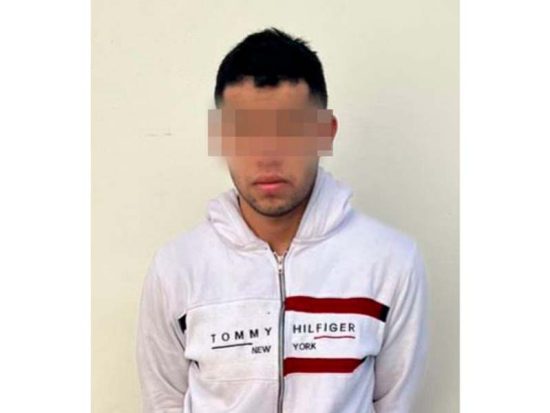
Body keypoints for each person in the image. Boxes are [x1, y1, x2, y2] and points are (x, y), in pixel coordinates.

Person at [136, 27, 428, 413]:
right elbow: (164, 403)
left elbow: (394, 404)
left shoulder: (390, 262)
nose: (267, 155)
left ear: (325, 133)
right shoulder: (177, 268)